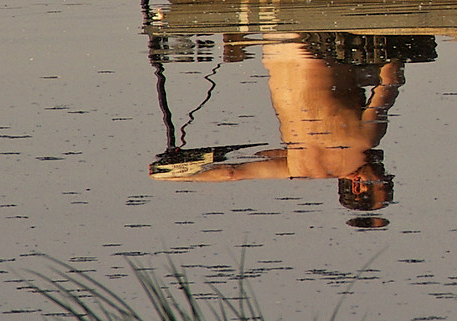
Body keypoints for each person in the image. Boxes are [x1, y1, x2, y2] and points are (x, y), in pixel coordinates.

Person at [148, 30, 432, 226]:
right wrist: (177, 176)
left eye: (386, 183)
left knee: (381, 62)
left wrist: (406, 43)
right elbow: (234, 172)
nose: (386, 173)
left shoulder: (365, 140)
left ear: (358, 186)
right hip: (273, 46)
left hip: (316, 43)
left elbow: (391, 80)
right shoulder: (300, 167)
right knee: (360, 76)